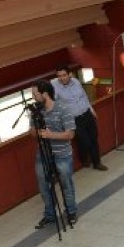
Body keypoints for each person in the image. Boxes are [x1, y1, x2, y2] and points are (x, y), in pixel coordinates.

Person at [30, 80, 78, 229]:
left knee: (66, 185)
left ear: (45, 93)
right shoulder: (36, 111)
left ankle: (71, 212)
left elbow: (70, 134)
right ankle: (50, 214)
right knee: (44, 186)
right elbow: (31, 132)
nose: (33, 97)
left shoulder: (63, 109)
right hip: (43, 155)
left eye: (35, 94)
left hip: (62, 155)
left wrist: (50, 135)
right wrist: (38, 131)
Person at [52, 65, 107, 171]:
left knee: (94, 139)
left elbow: (84, 96)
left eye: (64, 75)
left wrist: (91, 109)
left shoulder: (76, 82)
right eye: (59, 76)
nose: (62, 78)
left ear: (70, 74)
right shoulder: (55, 86)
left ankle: (97, 163)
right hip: (74, 119)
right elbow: (55, 105)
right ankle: (83, 158)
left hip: (86, 114)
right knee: (85, 141)